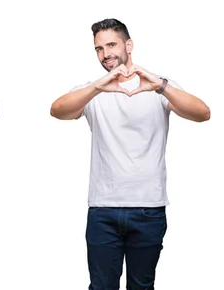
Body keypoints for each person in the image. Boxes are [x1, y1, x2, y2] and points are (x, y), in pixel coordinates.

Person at [50, 18, 210, 289]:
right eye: (99, 49)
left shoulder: (158, 87)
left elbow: (202, 113)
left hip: (149, 208)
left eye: (111, 45)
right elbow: (58, 110)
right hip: (103, 209)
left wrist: (160, 85)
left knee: (142, 286)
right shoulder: (93, 91)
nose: (105, 54)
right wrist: (97, 87)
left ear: (128, 45)